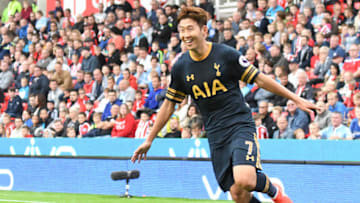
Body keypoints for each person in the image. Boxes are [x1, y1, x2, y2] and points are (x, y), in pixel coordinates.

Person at [132, 7, 316, 203]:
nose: (185, 35)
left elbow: (260, 79)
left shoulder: (226, 55)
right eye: (182, 30)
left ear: (204, 31)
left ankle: (275, 191)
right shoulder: (180, 67)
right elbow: (169, 105)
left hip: (239, 124)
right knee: (238, 193)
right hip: (215, 132)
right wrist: (149, 139)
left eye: (190, 29)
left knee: (244, 178)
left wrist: (295, 98)